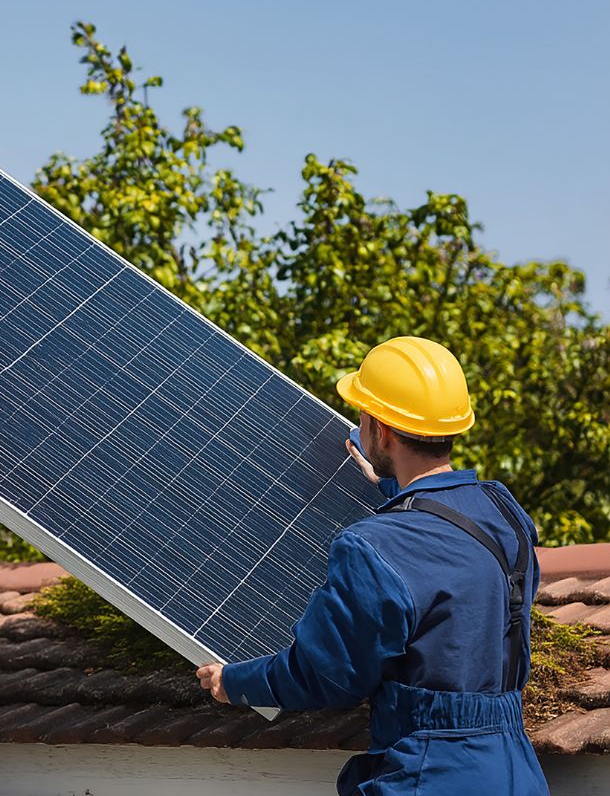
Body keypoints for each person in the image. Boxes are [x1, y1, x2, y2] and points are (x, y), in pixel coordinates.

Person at [195, 336, 549, 795]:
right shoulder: (504, 512)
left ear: (380, 430)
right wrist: (394, 487)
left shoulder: (373, 547)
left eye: (363, 416)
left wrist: (234, 681)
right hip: (515, 771)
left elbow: (326, 675)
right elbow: (449, 555)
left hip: (428, 776)